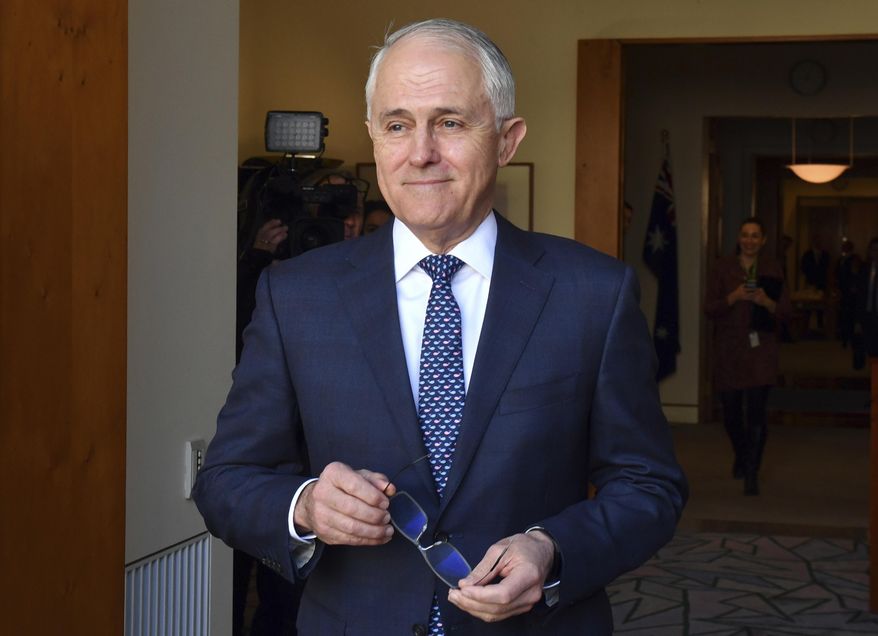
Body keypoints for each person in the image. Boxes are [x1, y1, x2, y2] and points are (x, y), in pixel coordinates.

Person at [194, 18, 686, 635]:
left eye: (450, 122)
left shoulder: (593, 293)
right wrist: (306, 506)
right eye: (397, 125)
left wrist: (553, 549)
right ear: (375, 138)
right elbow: (226, 482)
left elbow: (648, 486)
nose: (420, 152)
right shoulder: (296, 295)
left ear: (506, 141)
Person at [704, 217, 791, 496]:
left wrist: (767, 302)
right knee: (731, 412)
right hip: (729, 349)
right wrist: (733, 297)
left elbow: (786, 311)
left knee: (756, 412)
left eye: (755, 236)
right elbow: (709, 308)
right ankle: (742, 454)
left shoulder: (772, 268)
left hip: (761, 349)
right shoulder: (723, 267)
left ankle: (752, 471)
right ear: (739, 238)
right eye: (745, 235)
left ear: (763, 240)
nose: (749, 240)